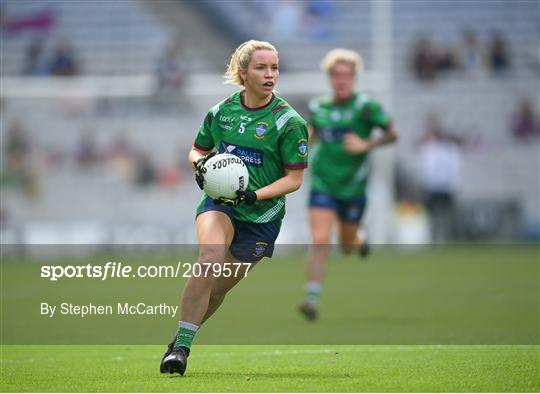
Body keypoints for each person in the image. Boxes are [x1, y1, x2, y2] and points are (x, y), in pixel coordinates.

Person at [160, 40, 309, 375]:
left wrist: (254, 196)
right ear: (243, 72)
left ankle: (180, 337)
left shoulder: (289, 122)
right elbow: (197, 150)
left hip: (261, 217)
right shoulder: (221, 112)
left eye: (274, 67)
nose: (270, 74)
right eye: (261, 67)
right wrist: (200, 167)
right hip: (220, 203)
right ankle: (181, 351)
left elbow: (294, 180)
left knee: (214, 291)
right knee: (209, 259)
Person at [299, 49, 397, 321]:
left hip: (353, 187)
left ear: (354, 77)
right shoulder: (319, 107)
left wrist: (367, 144)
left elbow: (392, 133)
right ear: (329, 78)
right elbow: (312, 136)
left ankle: (358, 238)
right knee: (320, 239)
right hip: (323, 183)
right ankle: (311, 298)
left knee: (345, 247)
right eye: (336, 75)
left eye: (347, 75)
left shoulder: (366, 107)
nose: (342, 80)